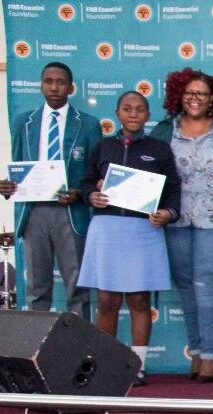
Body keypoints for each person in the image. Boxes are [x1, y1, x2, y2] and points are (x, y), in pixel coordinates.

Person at [78, 91, 181, 386]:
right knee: (107, 300)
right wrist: (91, 195)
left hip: (142, 229)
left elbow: (173, 189)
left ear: (148, 115)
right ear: (117, 113)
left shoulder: (159, 149)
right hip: (107, 228)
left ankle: (137, 365)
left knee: (139, 299)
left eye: (139, 109)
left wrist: (169, 213)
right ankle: (104, 363)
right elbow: (85, 182)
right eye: (127, 108)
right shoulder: (102, 147)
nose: (133, 114)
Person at [149, 68, 213, 383]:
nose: (195, 99)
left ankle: (212, 357)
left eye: (201, 93)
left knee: (211, 288)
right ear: (178, 96)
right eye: (189, 93)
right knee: (186, 288)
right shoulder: (164, 131)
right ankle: (197, 353)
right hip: (175, 219)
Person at [0, 62, 100, 320]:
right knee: (36, 288)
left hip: (71, 213)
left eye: (60, 82)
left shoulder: (88, 124)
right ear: (41, 85)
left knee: (77, 287)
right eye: (48, 81)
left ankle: (80, 353)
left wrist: (79, 192)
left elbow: (95, 174)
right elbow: (19, 165)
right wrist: (10, 186)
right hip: (34, 212)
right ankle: (35, 357)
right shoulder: (24, 122)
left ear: (70, 86)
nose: (54, 87)